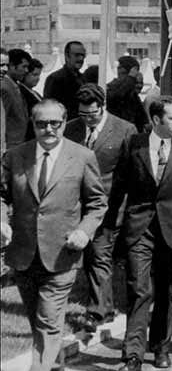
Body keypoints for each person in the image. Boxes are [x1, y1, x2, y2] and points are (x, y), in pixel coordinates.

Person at [0, 99, 107, 371]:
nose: (48, 130)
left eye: (55, 124)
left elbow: (97, 203)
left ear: (64, 122)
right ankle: (55, 367)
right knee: (39, 321)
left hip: (62, 254)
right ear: (33, 124)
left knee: (48, 319)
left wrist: (84, 232)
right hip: (22, 253)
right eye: (41, 124)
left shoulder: (82, 156)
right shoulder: (15, 156)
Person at [106, 96, 172, 371]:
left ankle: (161, 346)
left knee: (165, 290)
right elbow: (119, 186)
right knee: (139, 289)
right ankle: (133, 356)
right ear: (156, 120)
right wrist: (109, 225)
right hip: (139, 227)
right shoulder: (134, 144)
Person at [64, 84, 137, 332]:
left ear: (102, 106)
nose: (87, 119)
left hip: (109, 206)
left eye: (92, 114)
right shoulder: (71, 128)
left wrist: (123, 209)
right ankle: (99, 307)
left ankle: (99, 310)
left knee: (99, 256)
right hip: (76, 207)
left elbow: (130, 175)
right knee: (86, 259)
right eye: (83, 114)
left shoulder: (125, 130)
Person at [43, 41, 87, 119]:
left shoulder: (84, 79)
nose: (81, 58)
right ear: (67, 56)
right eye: (77, 55)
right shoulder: (55, 79)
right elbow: (49, 109)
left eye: (83, 55)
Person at [2, 47, 31, 150]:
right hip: (10, 147)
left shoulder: (15, 85)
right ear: (12, 66)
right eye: (24, 67)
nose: (27, 71)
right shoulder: (4, 88)